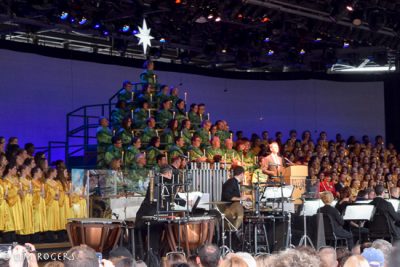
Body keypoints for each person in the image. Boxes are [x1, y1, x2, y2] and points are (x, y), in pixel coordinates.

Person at [135, 165, 185, 259]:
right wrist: (188, 203)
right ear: (169, 173)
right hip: (152, 218)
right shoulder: (163, 182)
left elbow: (173, 198)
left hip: (145, 216)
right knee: (153, 241)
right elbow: (173, 198)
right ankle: (154, 258)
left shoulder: (156, 181)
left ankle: (153, 257)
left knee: (152, 242)